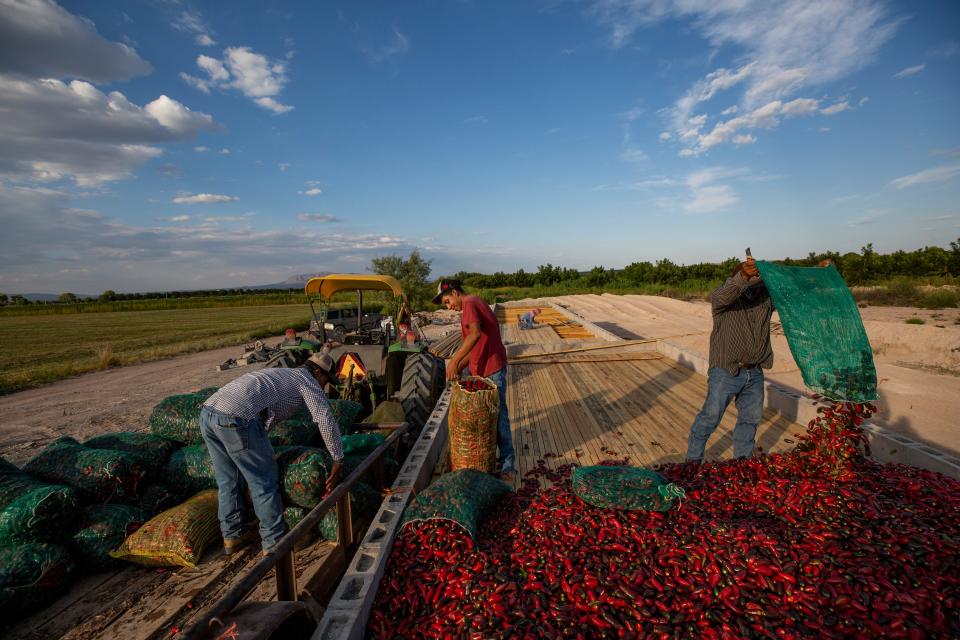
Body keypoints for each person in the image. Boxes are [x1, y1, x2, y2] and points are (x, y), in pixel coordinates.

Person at [686, 256, 831, 462]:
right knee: (710, 418)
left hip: (754, 372)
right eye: (753, 277)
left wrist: (816, 273)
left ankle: (742, 464)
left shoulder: (765, 299)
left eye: (759, 277)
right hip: (726, 371)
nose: (757, 281)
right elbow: (722, 294)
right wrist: (744, 275)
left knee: (750, 421)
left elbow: (791, 290)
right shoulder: (724, 301)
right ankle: (691, 463)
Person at [200, 353, 344, 555]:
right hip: (237, 418)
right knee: (263, 481)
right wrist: (337, 457)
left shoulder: (283, 375)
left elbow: (267, 417)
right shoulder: (307, 381)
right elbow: (324, 418)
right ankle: (275, 541)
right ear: (318, 372)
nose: (324, 386)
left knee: (228, 479)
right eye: (325, 381)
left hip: (208, 414)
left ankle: (233, 535)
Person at [434, 278, 517, 480]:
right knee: (485, 417)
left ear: (454, 292)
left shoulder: (470, 302)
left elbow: (475, 335)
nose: (449, 307)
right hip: (483, 368)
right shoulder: (473, 304)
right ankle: (486, 459)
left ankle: (508, 465)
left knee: (498, 416)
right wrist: (460, 368)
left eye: (447, 301)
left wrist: (453, 361)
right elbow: (476, 347)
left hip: (492, 369)